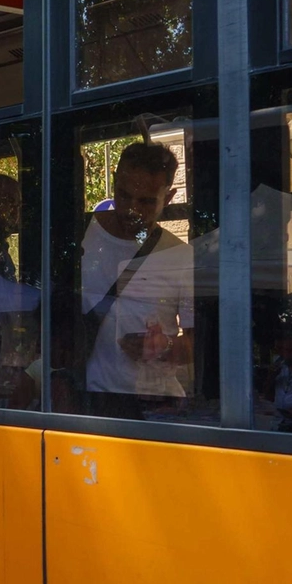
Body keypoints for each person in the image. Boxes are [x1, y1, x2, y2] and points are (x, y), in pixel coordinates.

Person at [80, 142, 194, 417]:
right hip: (93, 400)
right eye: (124, 195)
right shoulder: (80, 237)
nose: (132, 208)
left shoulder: (180, 256)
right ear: (115, 183)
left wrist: (164, 346)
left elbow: (198, 347)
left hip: (156, 405)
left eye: (145, 201)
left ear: (168, 199)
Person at [0, 173, 40, 409]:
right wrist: (44, 299)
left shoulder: (2, 253)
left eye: (17, 203)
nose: (14, 210)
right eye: (6, 201)